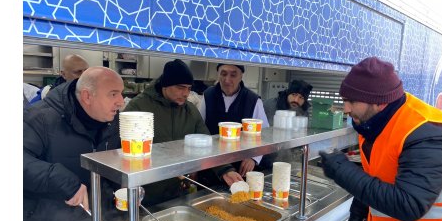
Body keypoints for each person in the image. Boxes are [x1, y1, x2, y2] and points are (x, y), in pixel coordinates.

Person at [318, 57, 442, 221]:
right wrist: (360, 208)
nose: (346, 109)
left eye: (351, 101)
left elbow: (410, 204)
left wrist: (343, 171)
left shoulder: (426, 132)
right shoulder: (372, 122)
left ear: (378, 102)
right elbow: (378, 173)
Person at [24, 66, 125, 221]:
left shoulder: (115, 122)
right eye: (113, 94)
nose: (120, 102)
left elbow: (118, 161)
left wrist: (127, 186)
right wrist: (64, 181)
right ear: (87, 96)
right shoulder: (40, 117)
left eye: (121, 93)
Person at [125, 59, 244, 206]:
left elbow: (208, 144)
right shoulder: (138, 107)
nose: (186, 93)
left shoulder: (190, 111)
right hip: (145, 193)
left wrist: (225, 170)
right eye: (181, 88)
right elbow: (122, 149)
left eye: (189, 88)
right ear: (165, 85)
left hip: (177, 193)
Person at [199, 63, 270, 176]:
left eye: (233, 75)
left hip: (241, 167)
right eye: (223, 74)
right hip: (212, 165)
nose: (227, 80)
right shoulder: (208, 96)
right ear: (218, 74)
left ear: (241, 76)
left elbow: (265, 133)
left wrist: (253, 158)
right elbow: (199, 128)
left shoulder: (253, 100)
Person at [261, 79, 313, 168]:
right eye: (294, 95)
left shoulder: (303, 113)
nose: (296, 100)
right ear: (288, 93)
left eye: (301, 97)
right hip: (263, 157)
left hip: (285, 159)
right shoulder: (270, 106)